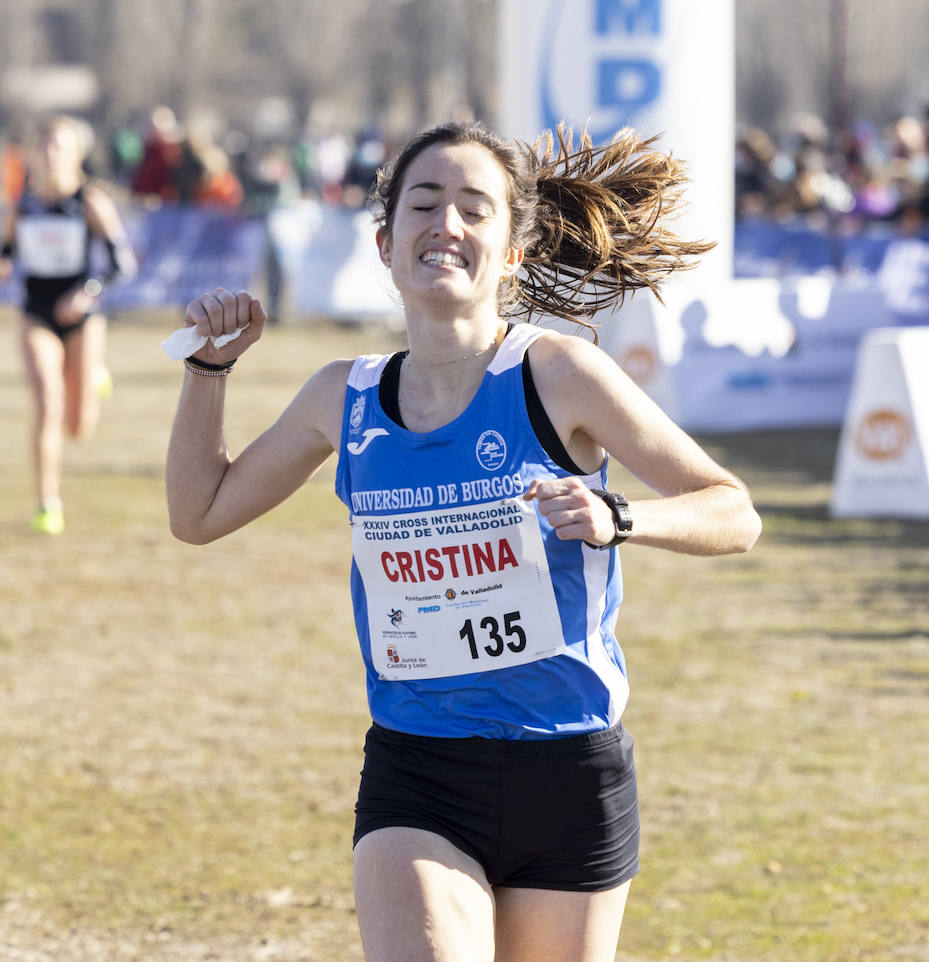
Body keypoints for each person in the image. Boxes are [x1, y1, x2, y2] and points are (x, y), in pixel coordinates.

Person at [165, 119, 761, 961]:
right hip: (420, 771)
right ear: (384, 242)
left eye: (475, 209)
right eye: (425, 203)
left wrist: (622, 519)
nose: (446, 223)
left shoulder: (557, 376)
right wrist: (208, 372)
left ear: (513, 251)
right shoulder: (346, 396)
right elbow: (200, 513)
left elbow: (732, 509)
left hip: (570, 769)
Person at [0, 115, 135, 535]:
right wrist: (1, 262)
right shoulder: (22, 206)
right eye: (46, 145)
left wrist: (86, 293)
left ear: (77, 154)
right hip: (37, 314)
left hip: (82, 317)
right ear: (34, 153)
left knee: (78, 426)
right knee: (47, 403)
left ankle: (93, 375)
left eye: (61, 146)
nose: (52, 154)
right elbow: (3, 248)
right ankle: (47, 503)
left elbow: (121, 264)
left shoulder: (90, 202)